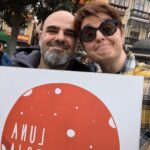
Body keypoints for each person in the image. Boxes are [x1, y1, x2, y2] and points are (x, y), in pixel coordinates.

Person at [74, 2, 150, 149]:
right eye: (89, 34)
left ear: (121, 34)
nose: (99, 37)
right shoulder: (85, 88)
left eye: (107, 28)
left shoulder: (147, 86)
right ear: (84, 47)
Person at [12, 10, 93, 72]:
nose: (60, 38)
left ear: (77, 42)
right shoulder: (11, 75)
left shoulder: (90, 82)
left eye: (69, 34)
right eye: (52, 31)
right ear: (40, 36)